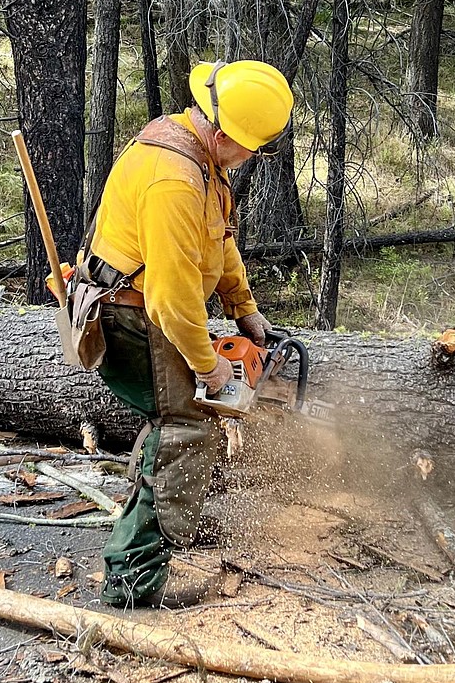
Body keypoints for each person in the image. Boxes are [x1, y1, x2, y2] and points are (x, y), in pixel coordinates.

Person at [79, 59, 294, 608]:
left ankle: (174, 510)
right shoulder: (174, 179)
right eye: (254, 149)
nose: (254, 159)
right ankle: (132, 583)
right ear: (223, 133)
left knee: (177, 424)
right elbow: (171, 302)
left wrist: (243, 309)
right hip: (130, 316)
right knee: (185, 429)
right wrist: (209, 367)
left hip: (151, 307)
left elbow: (218, 241)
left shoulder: (201, 157)